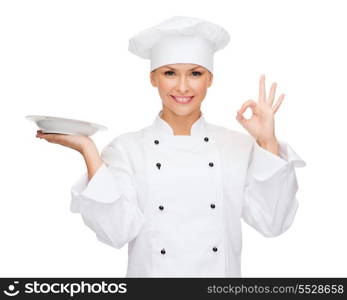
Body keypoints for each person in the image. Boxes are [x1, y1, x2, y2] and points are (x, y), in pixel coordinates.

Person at [35, 16, 306, 277]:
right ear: (153, 78)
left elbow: (272, 223)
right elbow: (116, 231)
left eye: (195, 73)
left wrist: (267, 141)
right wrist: (88, 150)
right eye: (170, 73)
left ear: (210, 79)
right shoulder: (127, 149)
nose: (183, 86)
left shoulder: (237, 147)